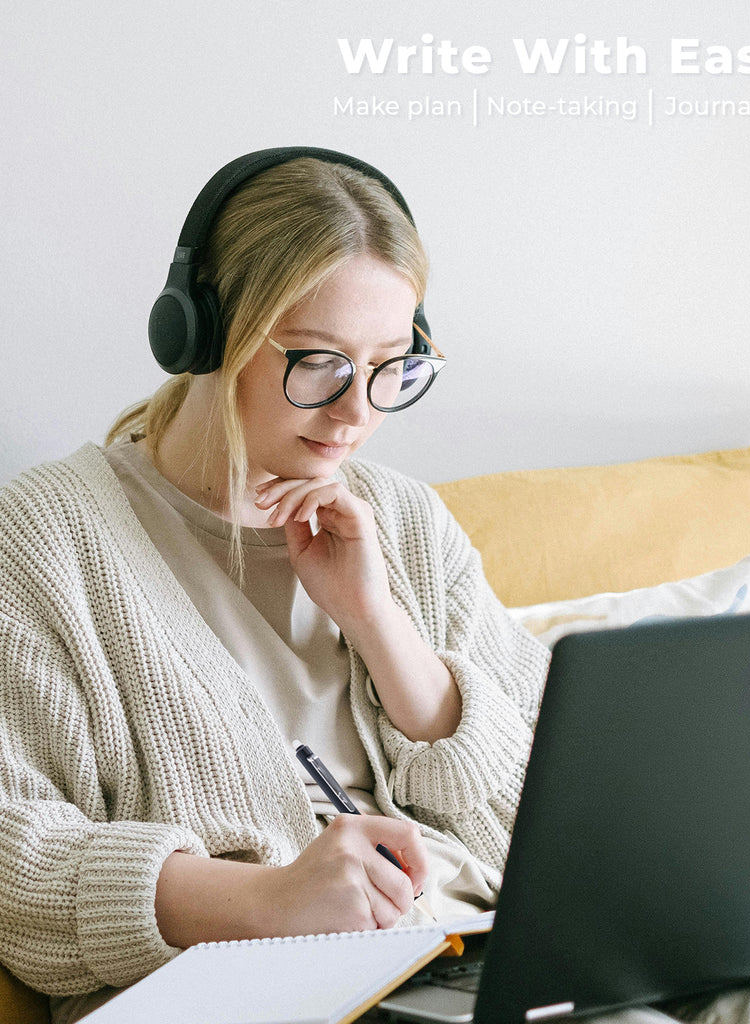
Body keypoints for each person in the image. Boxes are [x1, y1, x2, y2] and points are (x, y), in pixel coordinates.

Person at [0, 149, 550, 1023]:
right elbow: (15, 855)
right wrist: (269, 902)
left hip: (470, 959)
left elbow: (551, 813)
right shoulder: (47, 537)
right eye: (321, 363)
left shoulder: (402, 518)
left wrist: (379, 625)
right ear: (205, 334)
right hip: (244, 992)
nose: (357, 413)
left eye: (390, 365)